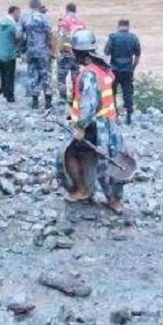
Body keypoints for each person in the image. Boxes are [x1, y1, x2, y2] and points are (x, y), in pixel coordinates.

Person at [61, 29, 126, 214]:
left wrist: (80, 126)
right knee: (109, 159)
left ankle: (83, 190)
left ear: (79, 52)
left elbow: (89, 104)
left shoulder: (89, 73)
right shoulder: (103, 68)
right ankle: (114, 200)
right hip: (109, 122)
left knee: (69, 154)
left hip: (95, 125)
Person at [104, 19, 141, 124]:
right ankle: (128, 116)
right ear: (128, 26)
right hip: (128, 69)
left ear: (118, 26)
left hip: (114, 70)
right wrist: (133, 68)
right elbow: (137, 56)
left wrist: (106, 68)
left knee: (112, 92)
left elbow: (106, 53)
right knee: (128, 93)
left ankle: (114, 114)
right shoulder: (134, 38)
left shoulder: (113, 37)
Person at [19, 0, 53, 109]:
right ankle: (48, 101)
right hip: (43, 50)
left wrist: (22, 48)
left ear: (30, 5)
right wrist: (51, 48)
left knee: (33, 74)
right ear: (39, 5)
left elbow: (19, 35)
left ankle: (35, 101)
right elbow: (49, 34)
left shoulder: (25, 18)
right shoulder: (44, 18)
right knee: (46, 73)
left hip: (31, 50)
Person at [56, 2, 88, 102]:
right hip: (77, 54)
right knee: (76, 78)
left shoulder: (63, 21)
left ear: (66, 10)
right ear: (75, 10)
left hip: (65, 54)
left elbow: (61, 38)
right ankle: (75, 99)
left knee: (61, 78)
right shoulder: (81, 22)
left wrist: (58, 52)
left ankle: (63, 100)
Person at [0, 5, 22, 103]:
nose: (19, 16)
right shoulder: (13, 24)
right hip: (9, 53)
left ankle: (5, 94)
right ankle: (10, 96)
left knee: (2, 74)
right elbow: (18, 37)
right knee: (10, 75)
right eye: (19, 13)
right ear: (14, 12)